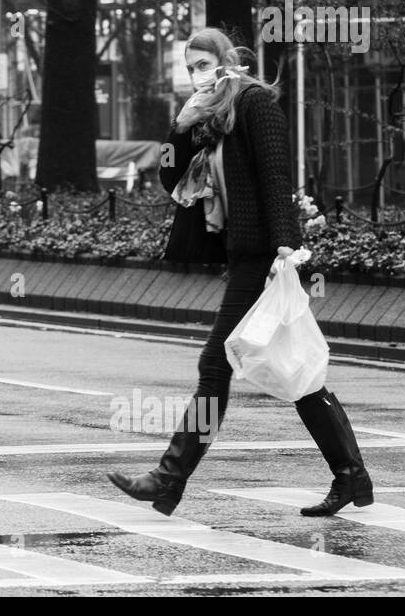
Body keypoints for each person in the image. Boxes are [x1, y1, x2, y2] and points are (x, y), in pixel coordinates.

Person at [107, 27, 374, 518]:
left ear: (228, 62)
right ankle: (351, 476)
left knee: (215, 365)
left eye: (204, 64)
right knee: (298, 373)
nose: (197, 75)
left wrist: (286, 249)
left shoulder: (254, 104)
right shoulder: (211, 119)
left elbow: (276, 175)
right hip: (242, 257)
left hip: (263, 258)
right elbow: (172, 180)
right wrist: (179, 127)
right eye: (190, 68)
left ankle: (167, 480)